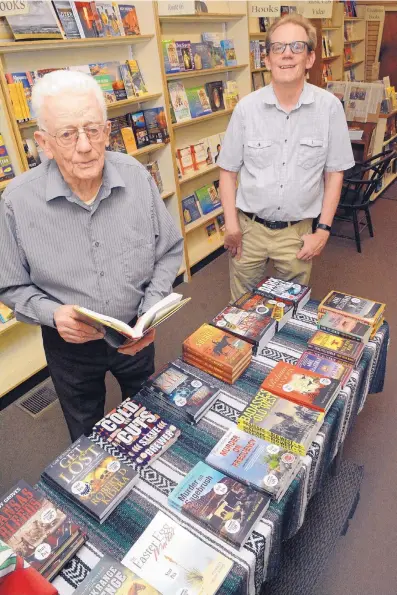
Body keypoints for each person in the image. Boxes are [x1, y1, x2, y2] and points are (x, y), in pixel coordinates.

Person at [0, 70, 183, 441]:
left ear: (107, 131)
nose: (84, 145)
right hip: (68, 346)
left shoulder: (136, 177)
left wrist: (150, 309)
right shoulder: (16, 202)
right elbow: (10, 284)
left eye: (93, 130)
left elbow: (169, 250)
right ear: (44, 143)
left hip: (135, 333)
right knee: (86, 436)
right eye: (68, 134)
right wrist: (51, 313)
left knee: (150, 421)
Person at [217, 14, 355, 302]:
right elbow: (227, 172)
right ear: (266, 60)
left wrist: (324, 231)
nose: (287, 54)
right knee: (240, 310)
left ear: (310, 58)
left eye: (296, 46)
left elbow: (335, 173)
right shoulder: (246, 109)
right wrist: (231, 225)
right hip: (249, 230)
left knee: (291, 309)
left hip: (297, 233)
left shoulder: (329, 109)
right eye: (278, 47)